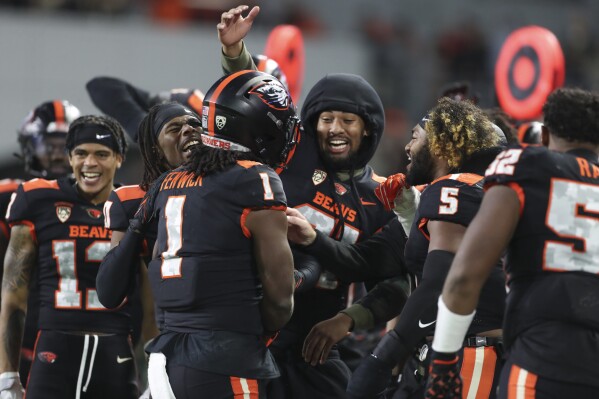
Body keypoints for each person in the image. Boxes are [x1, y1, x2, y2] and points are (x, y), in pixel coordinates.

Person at [218, 6, 401, 397]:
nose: (335, 128)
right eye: (326, 118)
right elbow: (259, 109)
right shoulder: (295, 151)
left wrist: (350, 320)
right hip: (253, 326)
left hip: (320, 342)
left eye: (348, 120)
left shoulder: (383, 196)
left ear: (367, 129)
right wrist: (236, 54)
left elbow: (397, 281)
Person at [115, 70, 297, 398]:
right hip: (226, 359)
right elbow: (281, 299)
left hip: (167, 358)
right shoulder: (255, 179)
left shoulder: (168, 183)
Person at [425, 88, 599, 398]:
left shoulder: (526, 165)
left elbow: (464, 277)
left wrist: (444, 363)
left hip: (541, 358)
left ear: (544, 134)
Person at [346, 98, 507, 399]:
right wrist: (409, 216)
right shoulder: (470, 191)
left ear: (440, 145)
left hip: (471, 352)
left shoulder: (452, 187)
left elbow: (438, 285)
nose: (407, 148)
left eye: (415, 137)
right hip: (454, 350)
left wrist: (385, 354)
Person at [0, 115, 139, 399]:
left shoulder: (135, 203)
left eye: (101, 154)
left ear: (119, 158)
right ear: (70, 157)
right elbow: (13, 294)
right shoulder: (38, 199)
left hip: (115, 349)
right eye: (81, 153)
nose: (90, 163)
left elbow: (149, 293)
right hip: (54, 347)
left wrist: (155, 357)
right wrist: (7, 373)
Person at [0, 100, 81, 388]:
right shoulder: (11, 194)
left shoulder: (105, 199)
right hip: (18, 327)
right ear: (29, 145)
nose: (58, 154)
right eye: (50, 144)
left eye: (65, 145)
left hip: (79, 331)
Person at [86, 76, 204, 141]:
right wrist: (143, 127)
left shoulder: (208, 115)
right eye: (174, 128)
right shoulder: (190, 102)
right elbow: (100, 86)